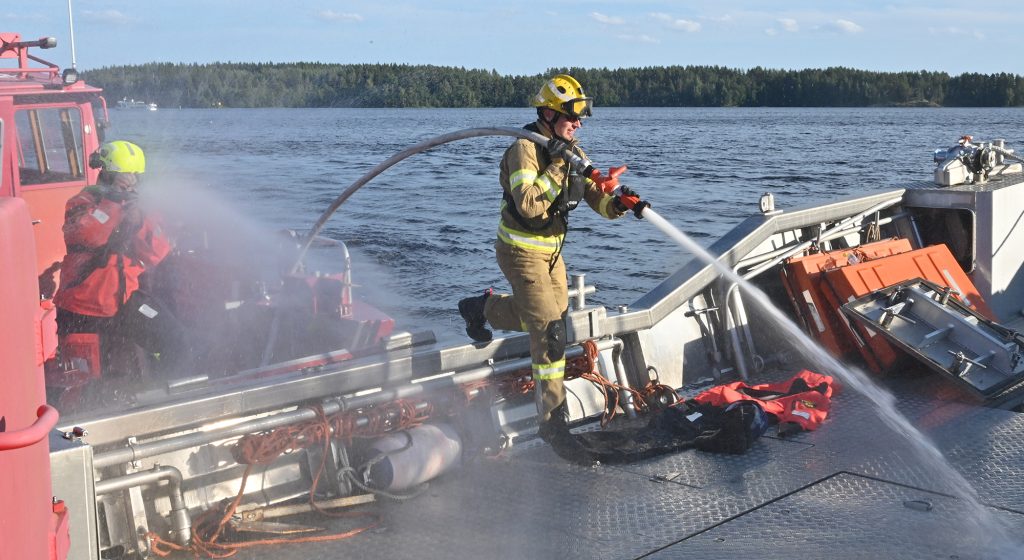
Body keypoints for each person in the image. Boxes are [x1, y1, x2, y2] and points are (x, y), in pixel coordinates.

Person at [458, 74, 646, 456]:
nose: (578, 123)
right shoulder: (525, 150)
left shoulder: (573, 150)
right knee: (549, 335)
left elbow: (597, 199)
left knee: (547, 323)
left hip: (553, 254)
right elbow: (528, 203)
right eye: (572, 116)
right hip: (520, 252)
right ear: (548, 114)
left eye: (580, 118)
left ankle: (482, 308)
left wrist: (620, 205)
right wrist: (559, 166)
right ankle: (553, 426)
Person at [54, 140, 187, 380]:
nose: (131, 183)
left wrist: (141, 217)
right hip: (83, 309)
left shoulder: (136, 208)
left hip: (124, 301)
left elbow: (155, 252)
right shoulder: (81, 202)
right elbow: (87, 235)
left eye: (135, 179)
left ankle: (163, 397)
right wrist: (113, 200)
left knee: (176, 342)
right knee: (89, 381)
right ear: (106, 174)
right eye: (123, 178)